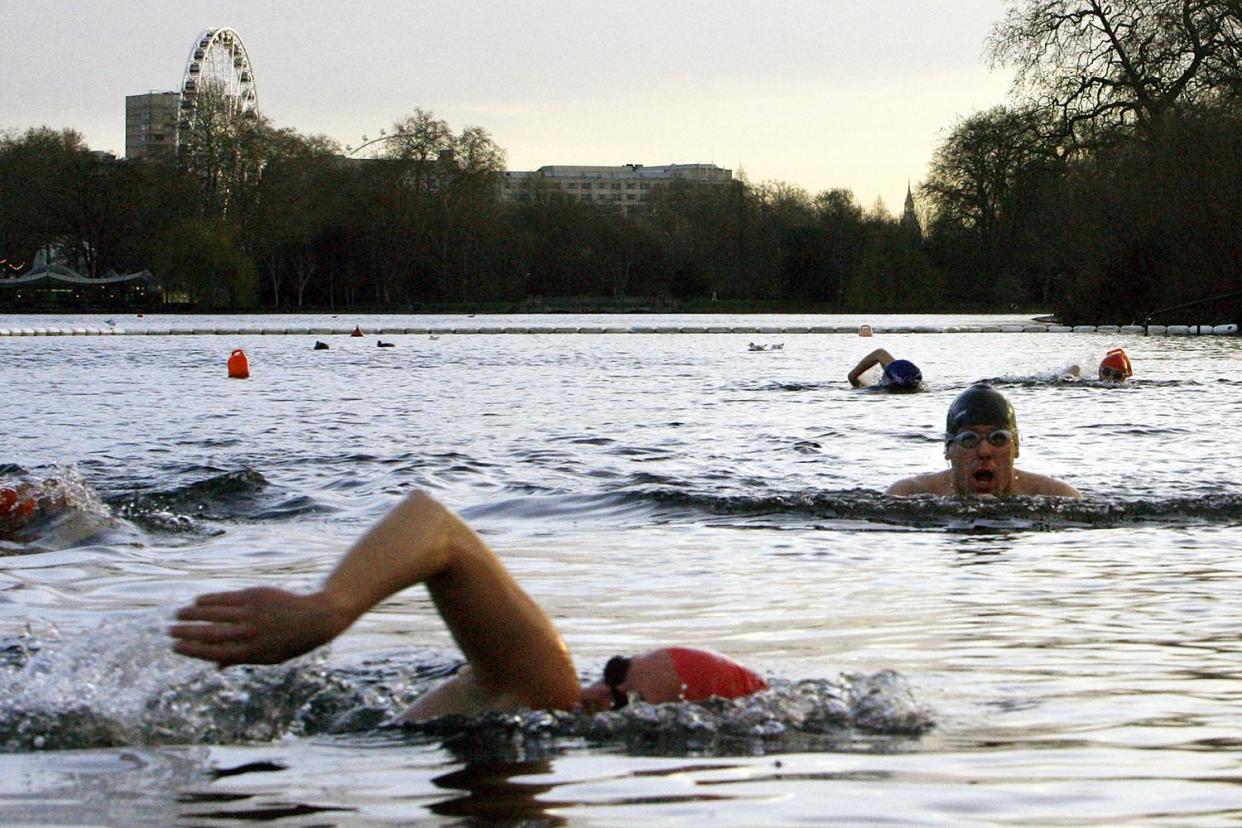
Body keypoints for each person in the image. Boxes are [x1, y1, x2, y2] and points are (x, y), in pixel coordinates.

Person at [169, 491, 766, 722]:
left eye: (624, 701)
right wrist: (329, 609)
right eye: (611, 674)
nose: (593, 694)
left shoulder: (538, 706)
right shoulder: (547, 685)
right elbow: (437, 527)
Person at [885, 383, 1081, 498]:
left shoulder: (1057, 496)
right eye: (969, 439)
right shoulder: (907, 495)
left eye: (998, 438)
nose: (985, 451)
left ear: (1016, 447)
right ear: (948, 448)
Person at [847, 348, 923, 391]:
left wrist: (852, 378)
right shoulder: (916, 383)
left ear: (889, 379)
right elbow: (880, 353)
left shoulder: (881, 391)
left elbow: (879, 352)